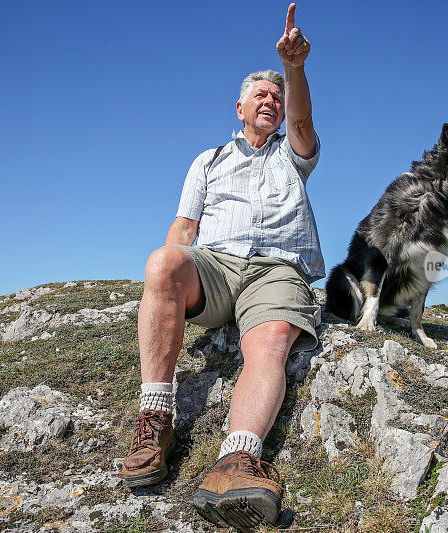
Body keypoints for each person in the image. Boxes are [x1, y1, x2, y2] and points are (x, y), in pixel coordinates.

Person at [122, 3, 322, 528]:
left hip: (276, 268)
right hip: (214, 266)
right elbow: (184, 233)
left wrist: (293, 69)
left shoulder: (292, 154)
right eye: (262, 94)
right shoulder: (207, 161)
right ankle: (155, 418)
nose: (271, 102)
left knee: (272, 339)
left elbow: (302, 121)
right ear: (238, 108)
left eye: (276, 98)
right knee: (163, 261)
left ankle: (237, 458)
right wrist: (159, 288)